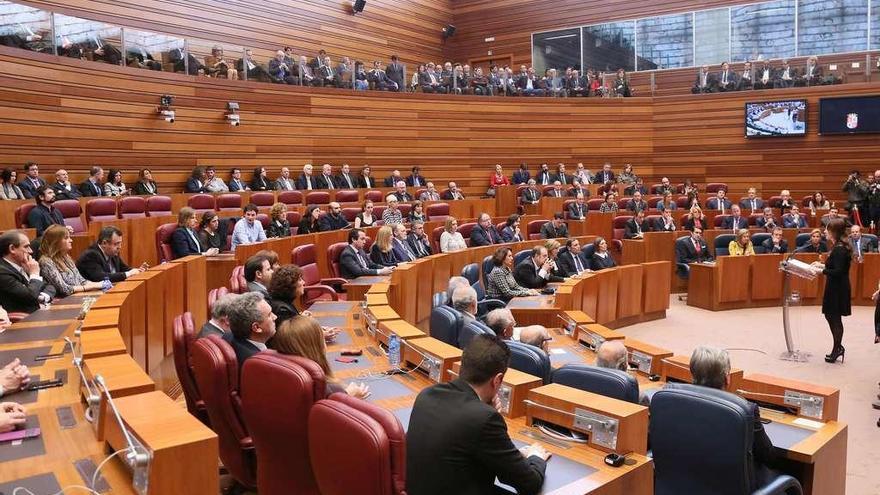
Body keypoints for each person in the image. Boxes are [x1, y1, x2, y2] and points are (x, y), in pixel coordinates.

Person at [406, 333, 549, 495]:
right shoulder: (484, 419)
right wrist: (535, 457)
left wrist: (486, 412)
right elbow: (528, 484)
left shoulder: (426, 395)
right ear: (497, 380)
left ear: (463, 367)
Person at [688, 345, 776, 489]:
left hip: (685, 482)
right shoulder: (743, 411)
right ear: (726, 378)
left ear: (692, 373)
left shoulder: (670, 398)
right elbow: (768, 457)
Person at [271, 316, 369, 398]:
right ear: (318, 346)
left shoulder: (279, 375)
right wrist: (347, 396)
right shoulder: (327, 390)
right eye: (322, 337)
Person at [810, 220, 851, 362]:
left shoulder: (839, 249)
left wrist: (821, 270)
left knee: (834, 317)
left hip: (838, 288)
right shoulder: (837, 246)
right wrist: (821, 264)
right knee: (831, 315)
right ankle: (837, 347)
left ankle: (837, 348)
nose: (825, 232)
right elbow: (835, 265)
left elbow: (839, 271)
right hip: (835, 286)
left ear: (834, 232)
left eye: (827, 229)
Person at [38, 225, 104, 297]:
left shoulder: (66, 257)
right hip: (62, 302)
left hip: (78, 296)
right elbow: (64, 289)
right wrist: (93, 286)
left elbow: (82, 281)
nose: (71, 240)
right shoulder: (46, 262)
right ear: (55, 242)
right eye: (66, 238)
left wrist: (101, 284)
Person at [0, 230, 55, 313]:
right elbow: (31, 295)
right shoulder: (2, 272)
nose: (31, 251)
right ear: (12, 249)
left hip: (38, 313)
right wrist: (34, 274)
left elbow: (49, 286)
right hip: (23, 320)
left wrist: (42, 298)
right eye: (26, 247)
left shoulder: (22, 265)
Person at [223, 292, 276, 365]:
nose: (275, 317)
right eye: (269, 315)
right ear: (256, 328)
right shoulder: (259, 363)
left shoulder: (228, 335)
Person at [77, 226, 144, 282]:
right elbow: (101, 278)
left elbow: (124, 269)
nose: (119, 247)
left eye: (120, 243)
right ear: (104, 243)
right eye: (116, 244)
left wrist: (138, 271)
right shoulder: (90, 255)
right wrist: (128, 274)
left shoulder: (112, 253)